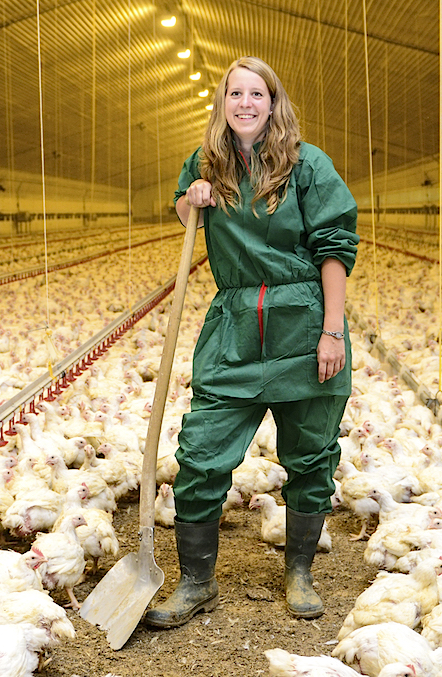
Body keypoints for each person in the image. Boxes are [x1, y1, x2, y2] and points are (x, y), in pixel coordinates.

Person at [144, 56, 358, 628]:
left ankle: (300, 572)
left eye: (255, 93)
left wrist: (332, 330)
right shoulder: (206, 159)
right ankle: (195, 582)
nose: (244, 102)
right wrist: (191, 199)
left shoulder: (308, 165)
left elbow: (336, 246)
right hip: (235, 325)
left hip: (303, 321)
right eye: (234, 93)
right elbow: (180, 207)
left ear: (273, 101)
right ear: (223, 102)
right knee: (200, 452)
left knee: (311, 457)